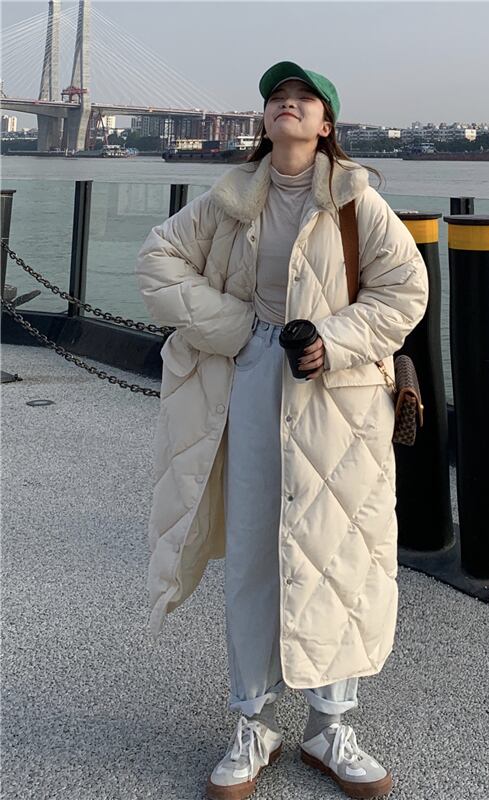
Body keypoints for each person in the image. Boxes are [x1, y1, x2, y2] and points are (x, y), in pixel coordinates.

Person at [135, 61, 429, 800]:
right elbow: (158, 261)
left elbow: (405, 291)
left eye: (304, 99)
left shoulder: (359, 202)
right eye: (277, 98)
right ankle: (253, 720)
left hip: (339, 393)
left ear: (326, 125)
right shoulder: (229, 200)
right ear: (265, 121)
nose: (288, 106)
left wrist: (334, 337)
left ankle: (331, 726)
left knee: (340, 552)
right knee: (254, 551)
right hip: (253, 377)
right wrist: (236, 327)